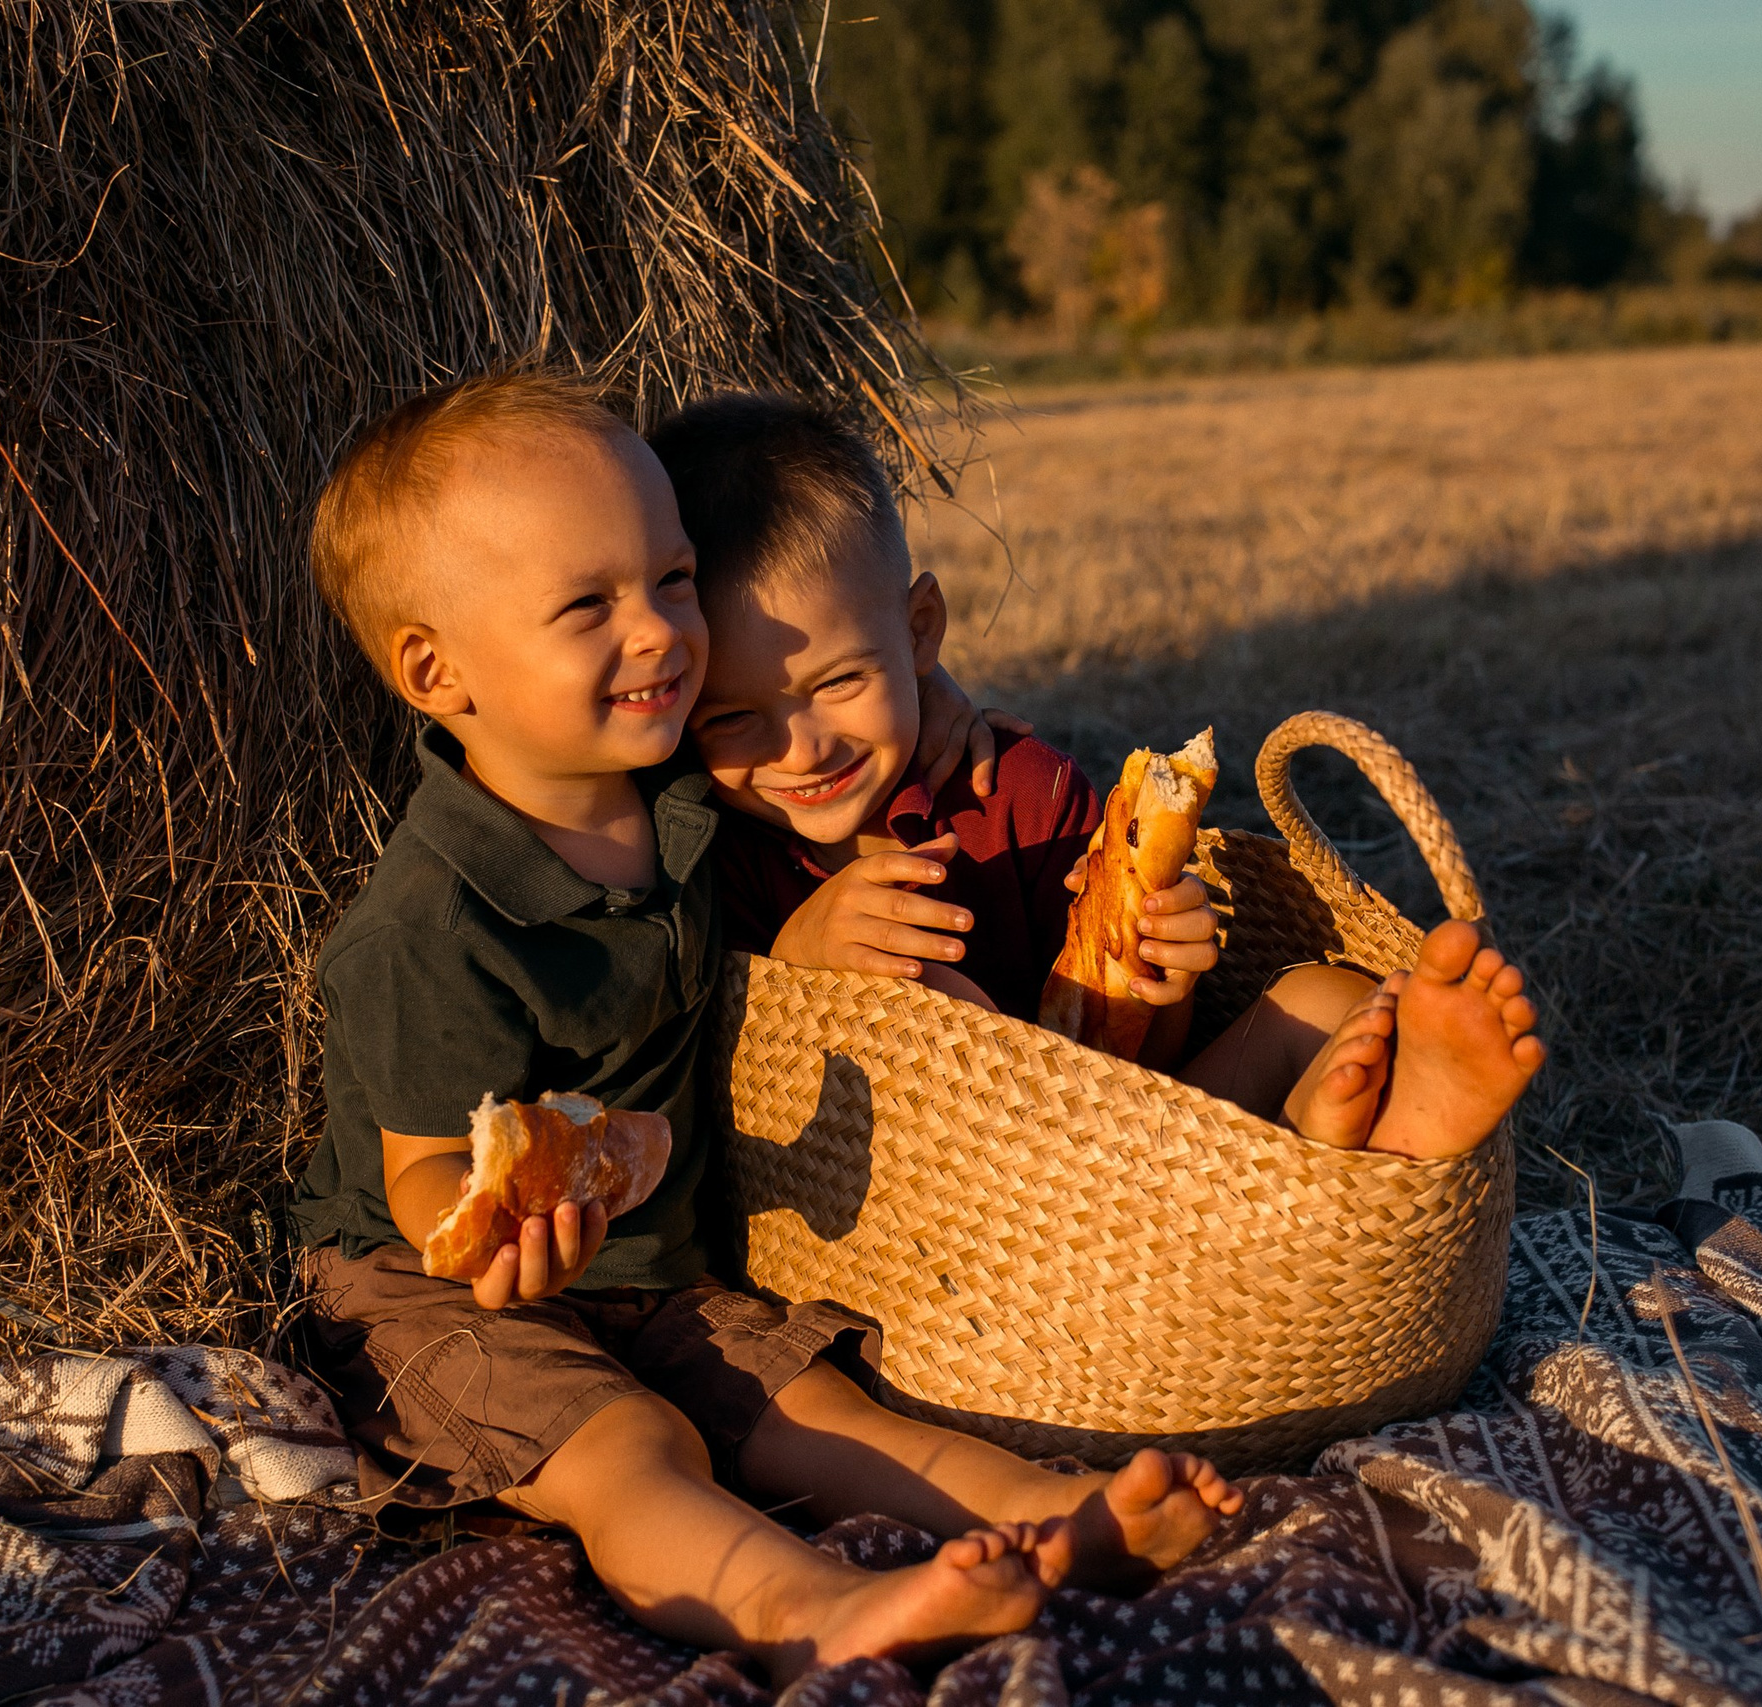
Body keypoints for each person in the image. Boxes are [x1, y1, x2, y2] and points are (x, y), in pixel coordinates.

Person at [289, 371, 1243, 1688]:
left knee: (818, 1406)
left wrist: (940, 699)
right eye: (591, 604)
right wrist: (505, 1228)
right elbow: (420, 1181)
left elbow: (840, 674)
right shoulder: (433, 921)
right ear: (435, 670)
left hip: (659, 1261)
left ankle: (1057, 1508)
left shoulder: (683, 772)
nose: (665, 635)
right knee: (631, 1446)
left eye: (671, 579)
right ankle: (818, 1605)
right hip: (434, 1290)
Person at [654, 392, 1545, 1160]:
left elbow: (1140, 1068)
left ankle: (1341, 1128)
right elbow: (702, 1065)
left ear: (921, 631)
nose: (801, 748)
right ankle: (1301, 1146)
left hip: (1116, 1163)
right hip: (943, 1207)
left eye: (842, 682)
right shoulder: (703, 851)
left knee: (1323, 998)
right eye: (734, 717)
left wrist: (1164, 982)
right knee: (915, 987)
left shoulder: (1022, 794)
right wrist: (797, 958)